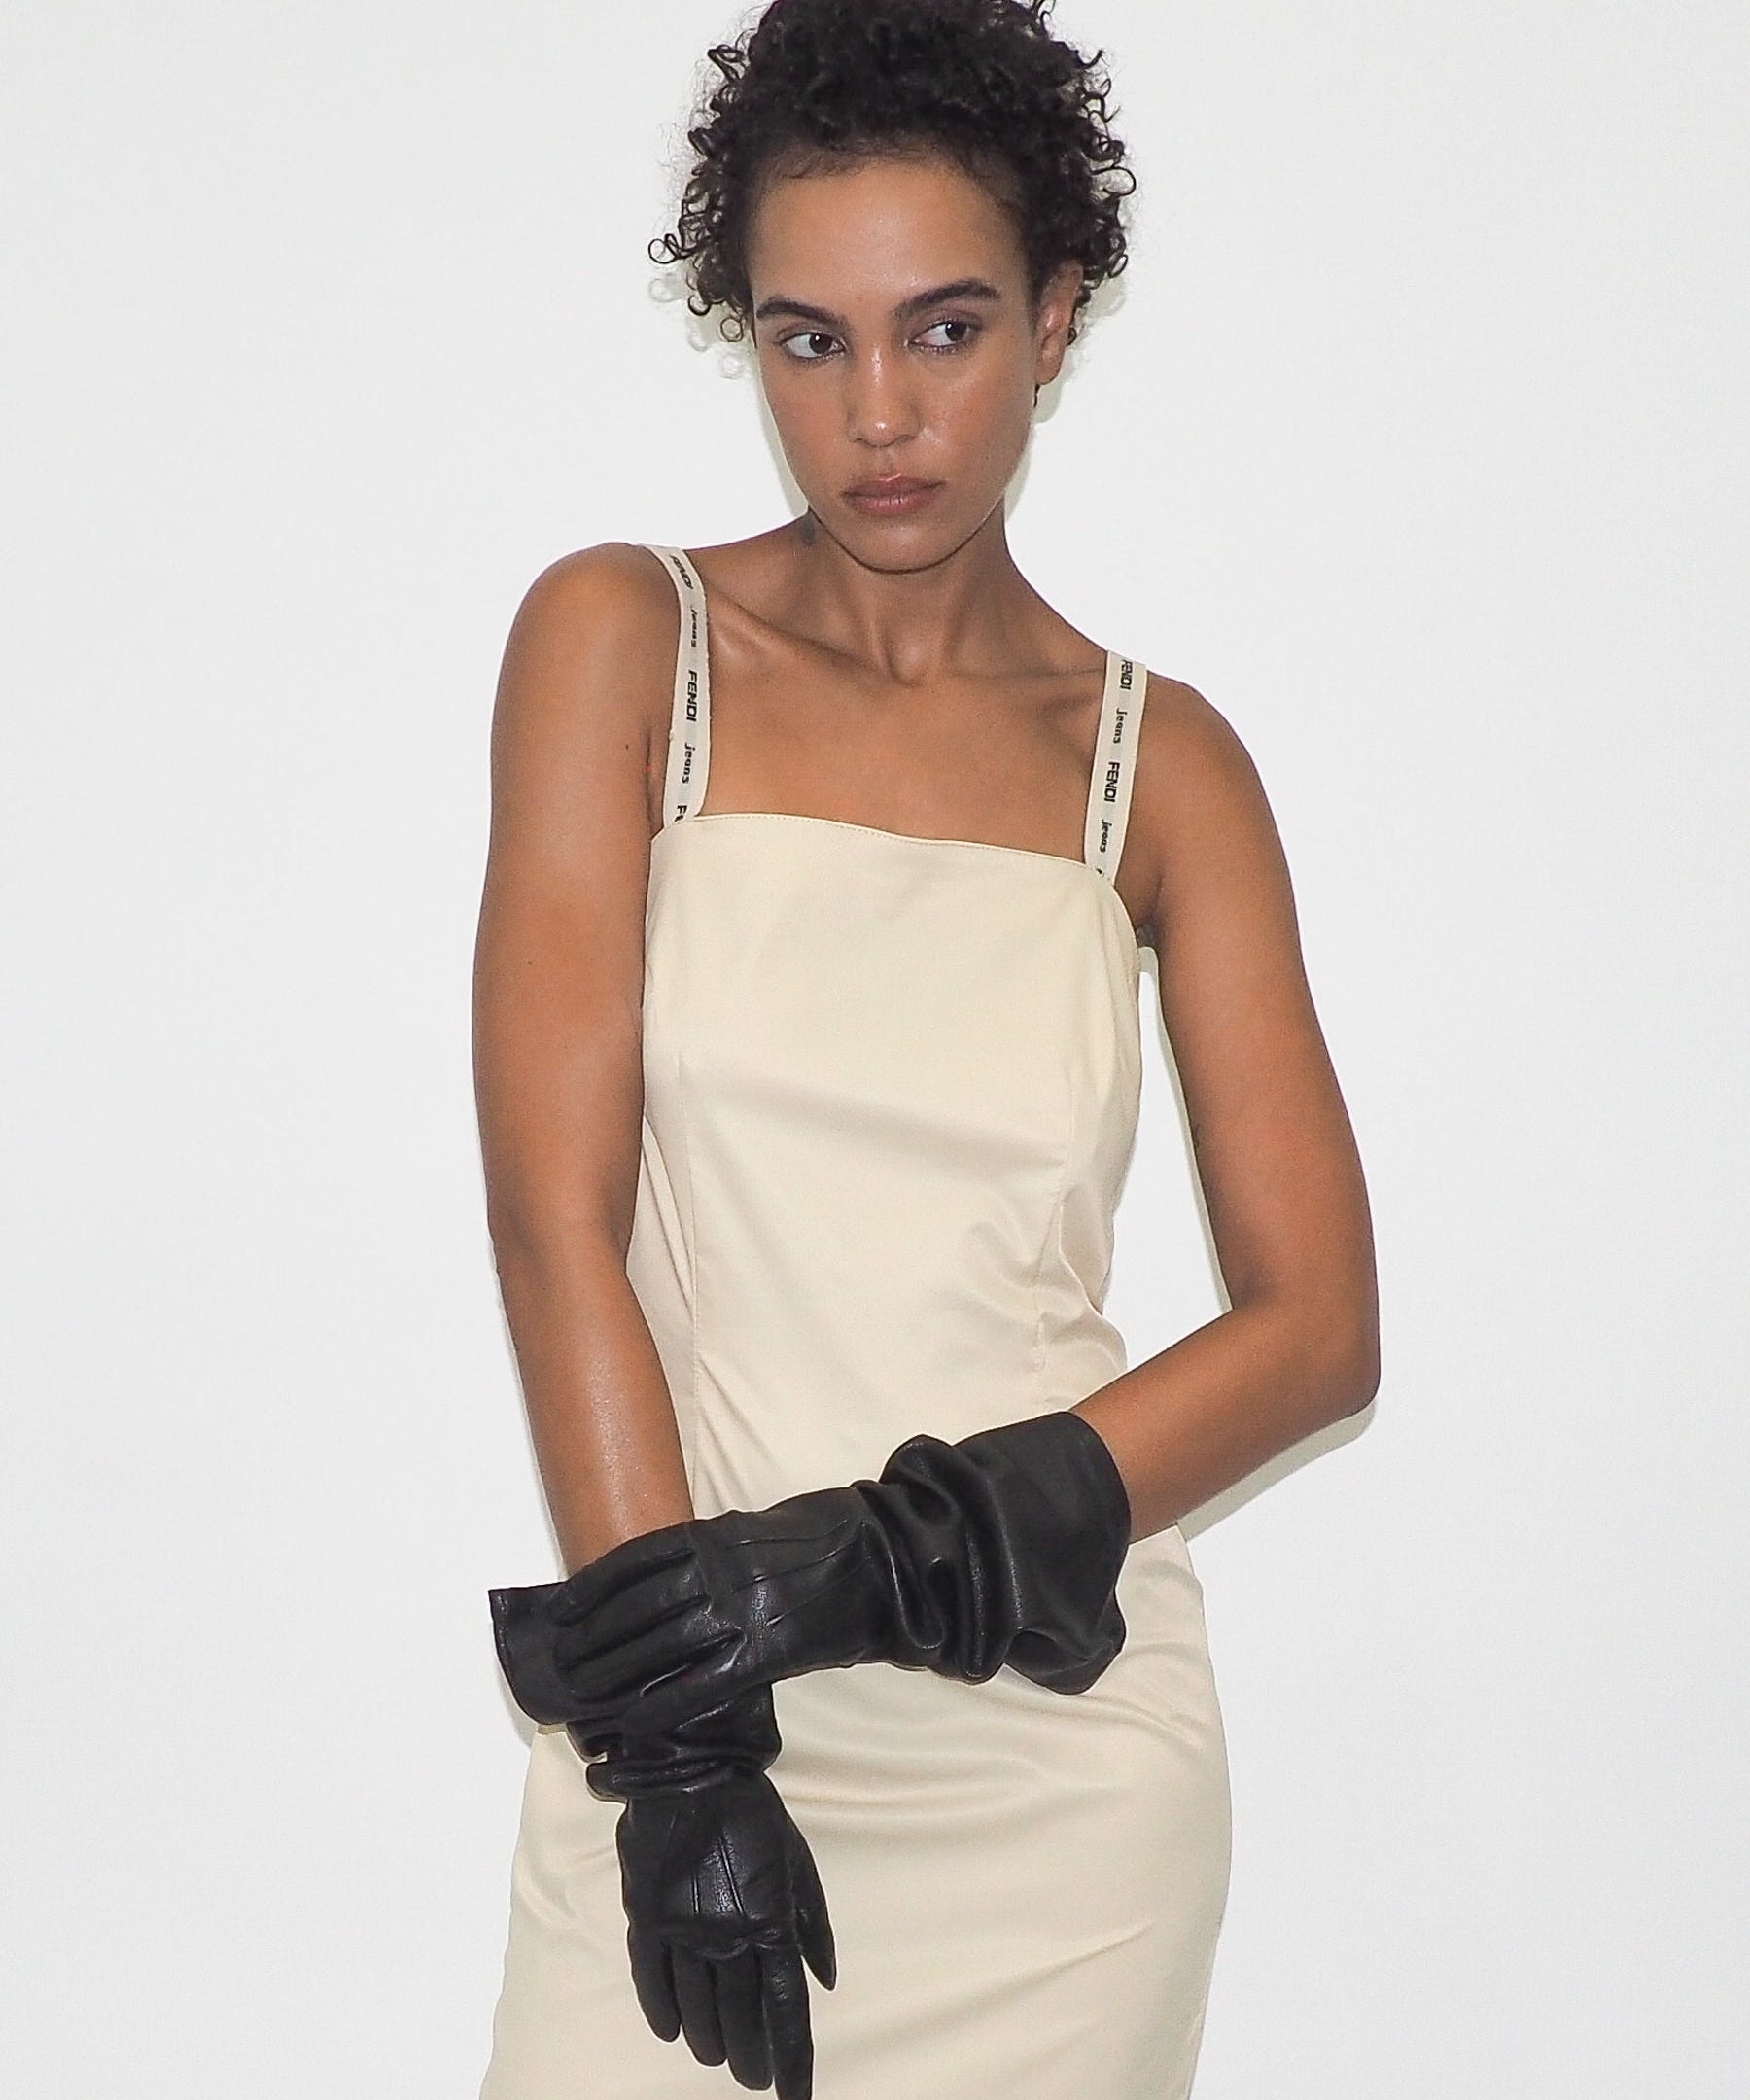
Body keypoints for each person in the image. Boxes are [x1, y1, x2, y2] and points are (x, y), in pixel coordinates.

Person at [472, 2, 1380, 2096]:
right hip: (700, 1689)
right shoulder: (623, 643)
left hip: (1054, 1762)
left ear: (1058, 319)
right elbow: (551, 1221)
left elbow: (1320, 1323)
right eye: (811, 340)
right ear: (751, 339)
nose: (881, 412)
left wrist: (897, 1556)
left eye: (947, 329)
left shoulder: (1165, 772)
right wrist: (684, 1743)